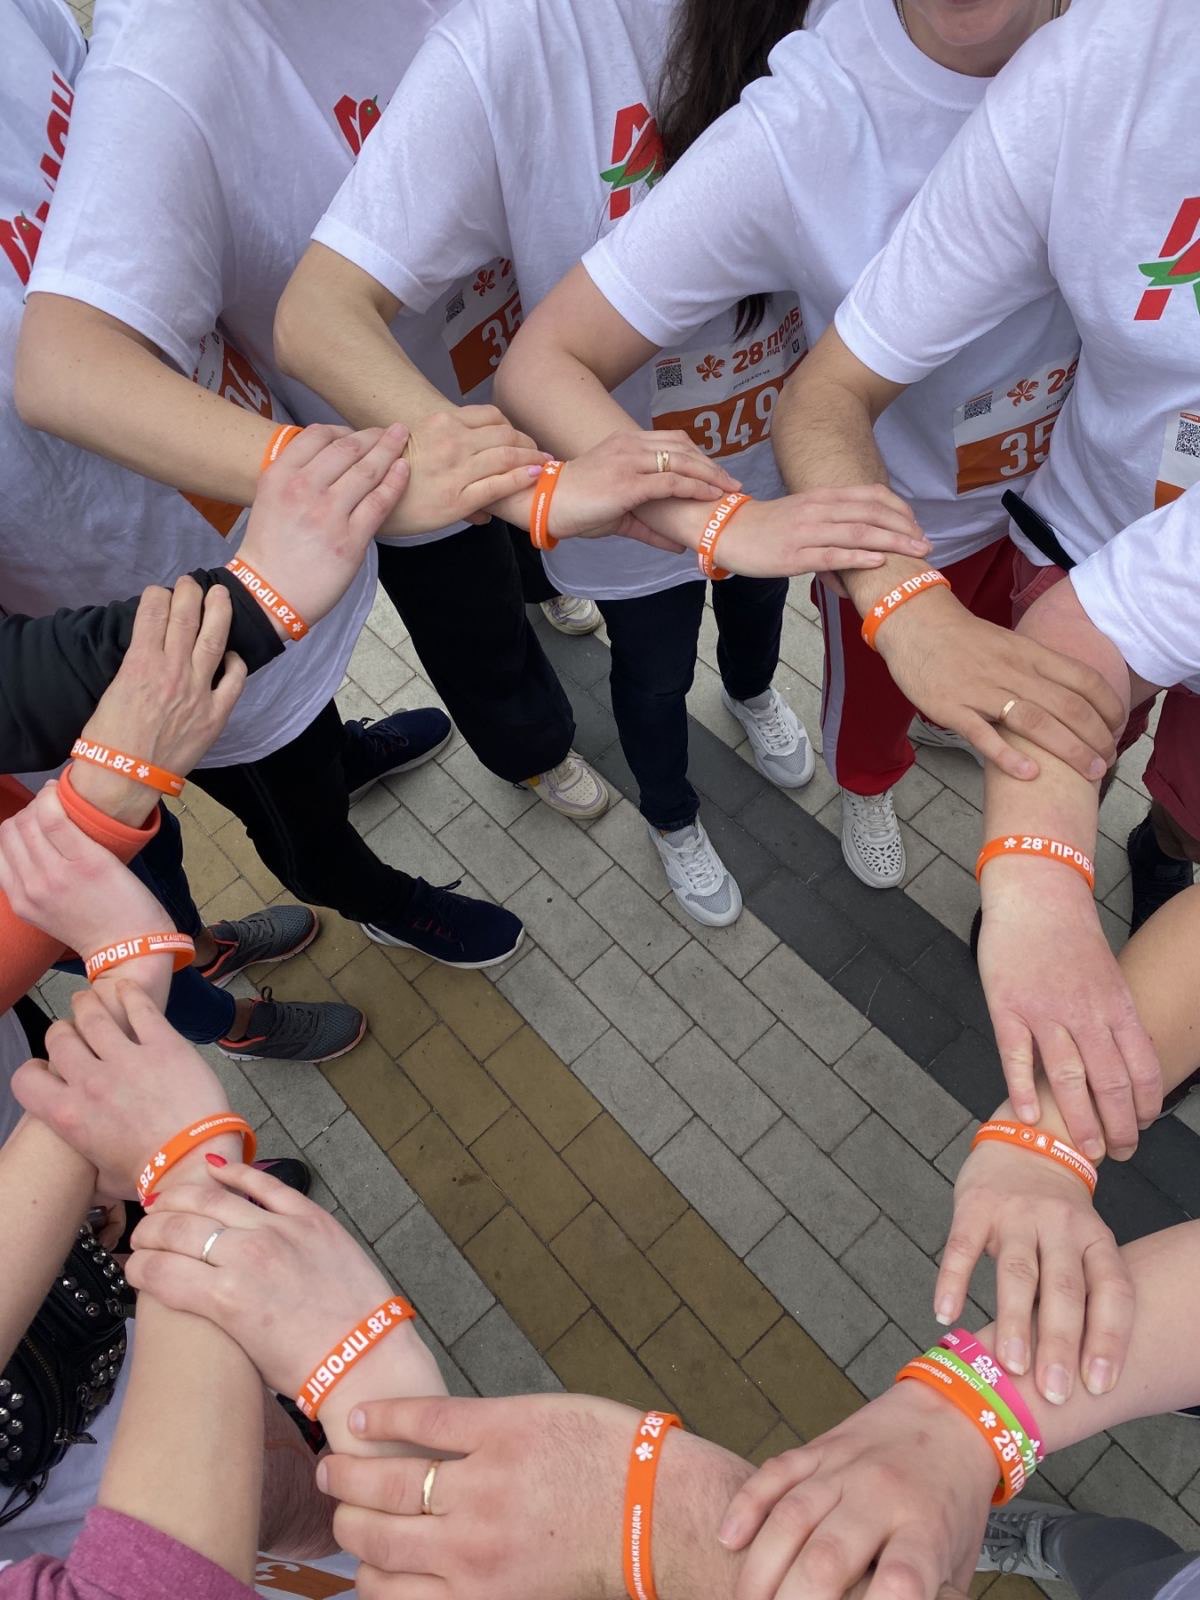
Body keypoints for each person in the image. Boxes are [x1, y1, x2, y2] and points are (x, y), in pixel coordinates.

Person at [275, 0, 934, 928]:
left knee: (757, 617)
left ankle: (751, 695)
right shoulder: (515, 37)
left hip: (775, 462)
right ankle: (671, 814)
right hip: (630, 498)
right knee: (654, 676)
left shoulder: (860, 18)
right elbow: (317, 316)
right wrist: (533, 485)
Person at [503, 0, 1141, 892]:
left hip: (1073, 519)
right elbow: (544, 361)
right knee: (869, 712)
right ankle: (866, 787)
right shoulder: (806, 118)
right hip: (902, 529)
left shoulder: (1151, 58)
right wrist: (721, 523)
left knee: (1020, 698)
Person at [11, 0, 622, 857]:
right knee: (470, 627)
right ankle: (530, 752)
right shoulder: (169, 52)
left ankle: (544, 589)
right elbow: (63, 365)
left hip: (513, 357)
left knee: (527, 547)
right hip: (388, 443)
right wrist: (322, 467)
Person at [774, 0, 1198, 928]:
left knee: (1019, 706)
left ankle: (1156, 847)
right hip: (1001, 523)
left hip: (1011, 502)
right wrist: (902, 605)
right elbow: (823, 390)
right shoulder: (1092, 69)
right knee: (918, 694)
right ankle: (868, 784)